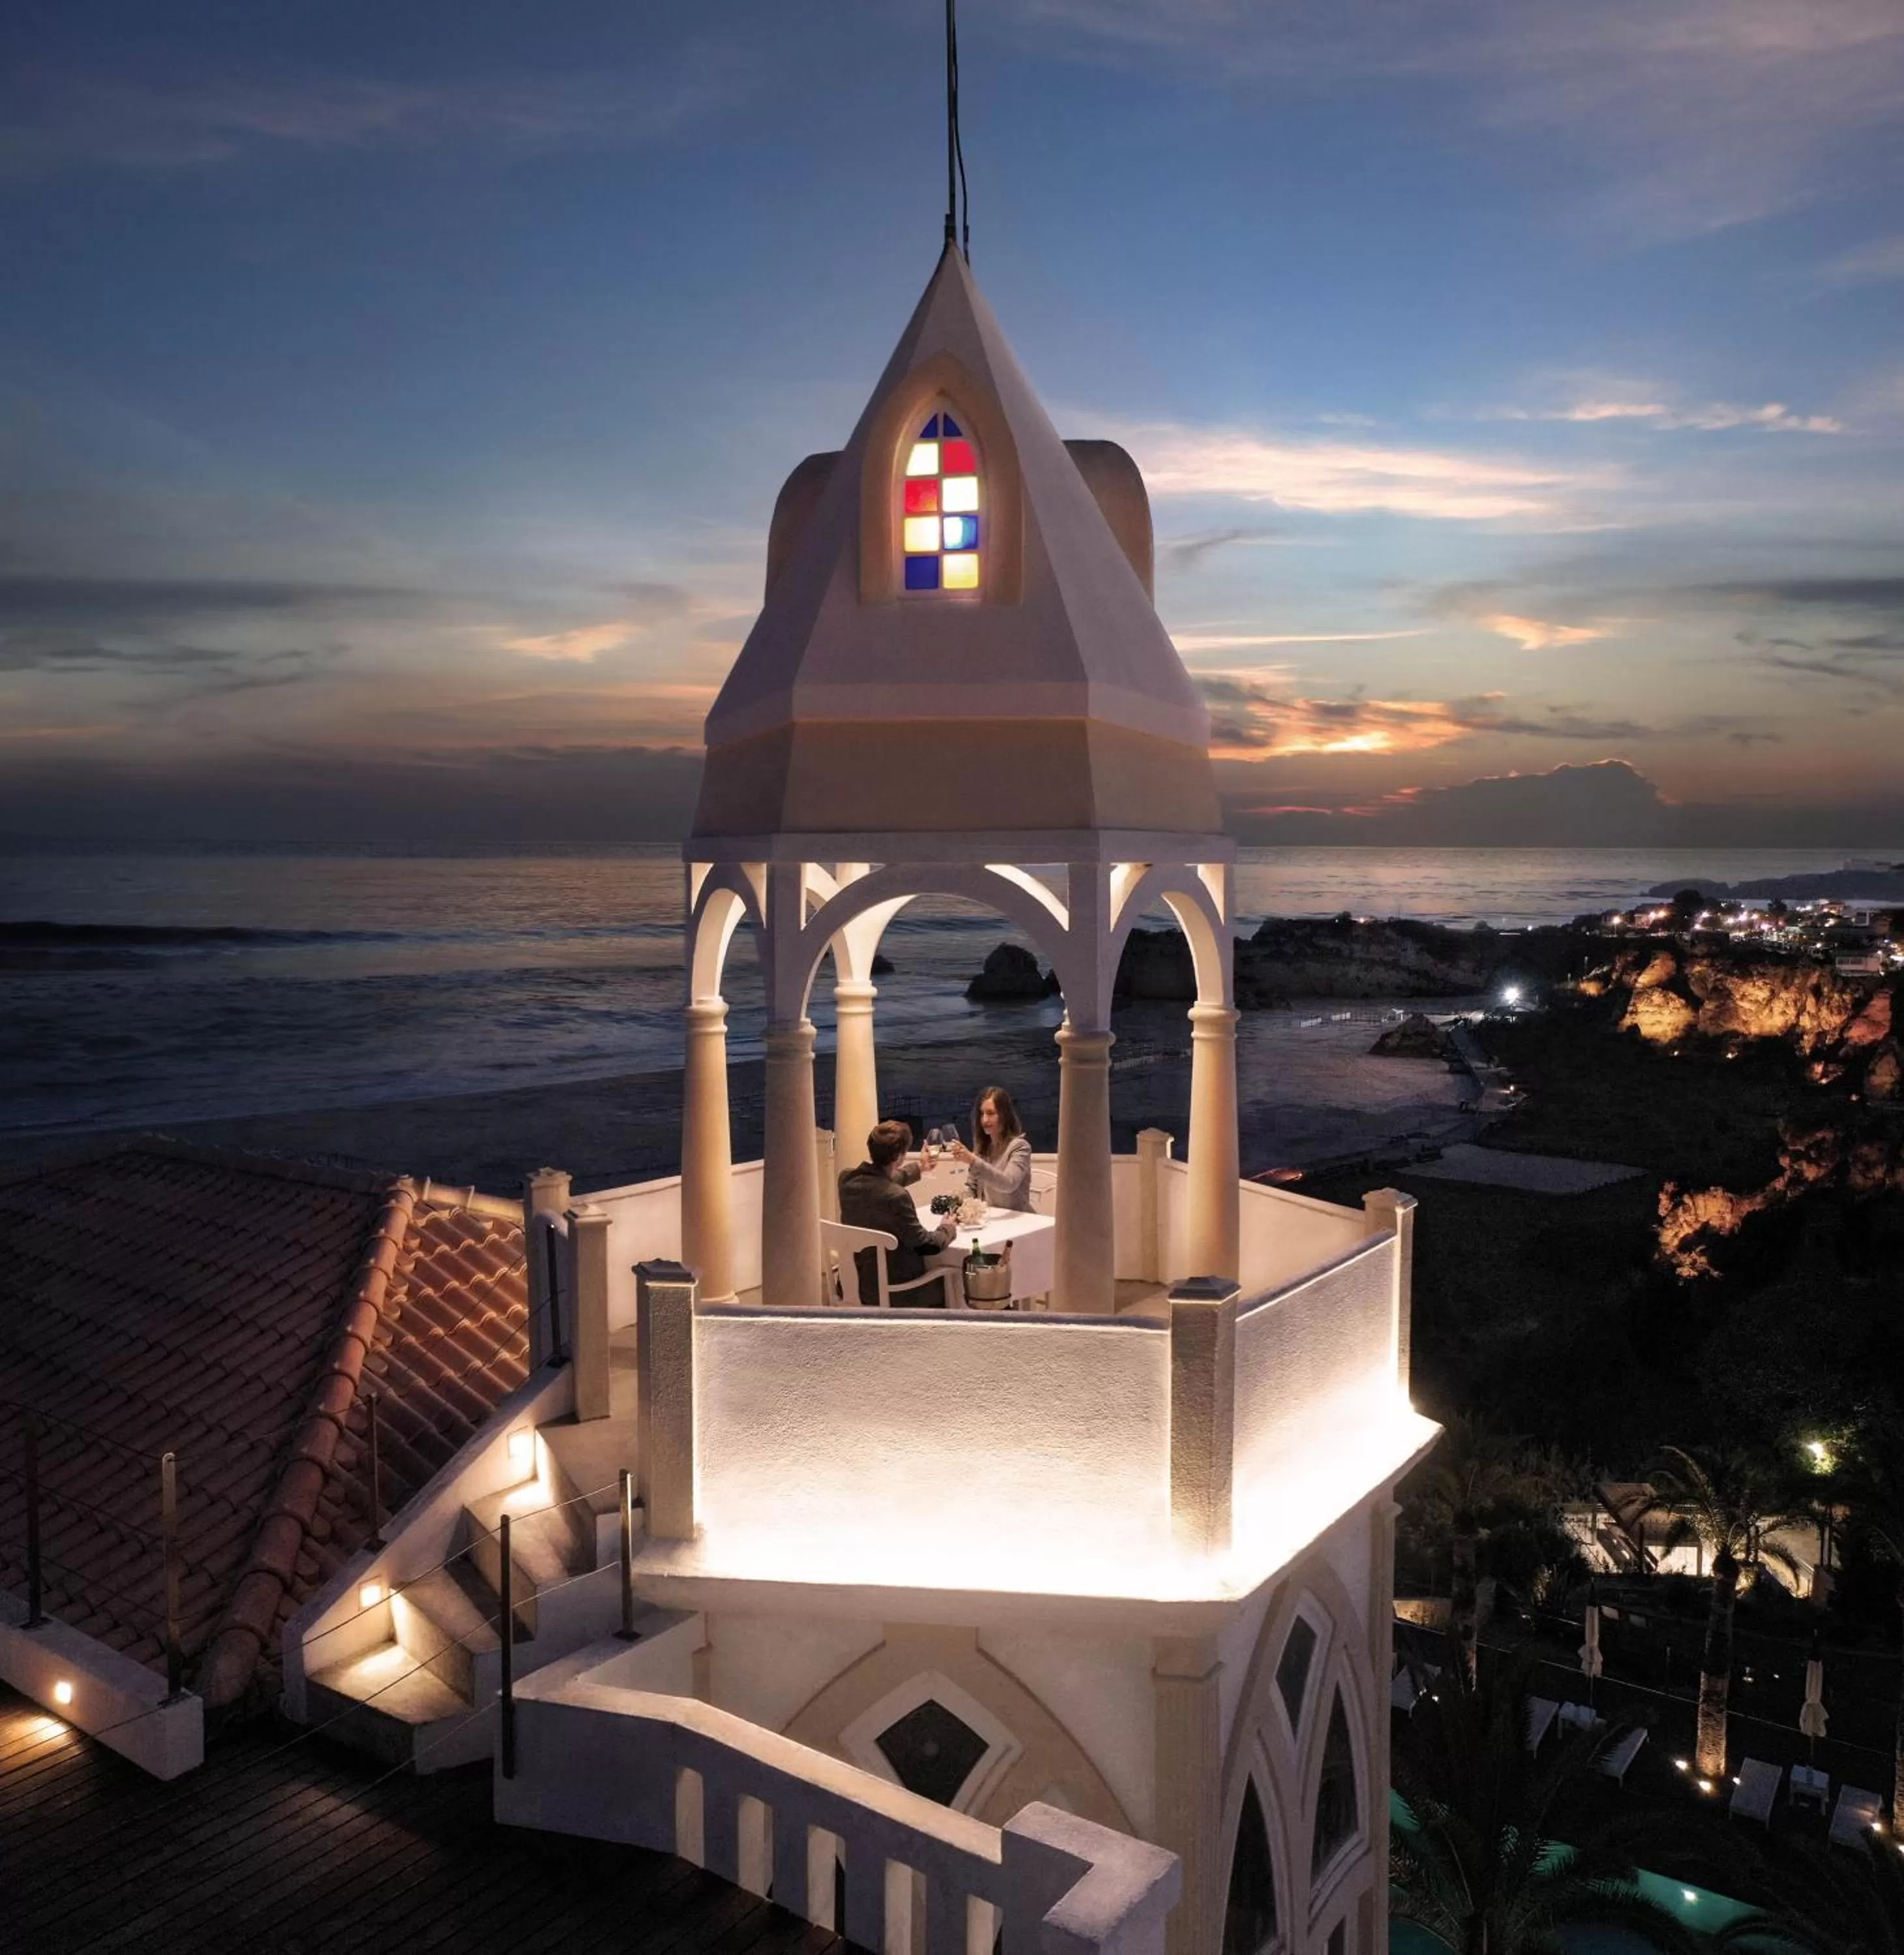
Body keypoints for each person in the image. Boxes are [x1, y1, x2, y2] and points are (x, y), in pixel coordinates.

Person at [837, 1120, 956, 1307]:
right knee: (953, 1281)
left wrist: (920, 1168)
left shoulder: (847, 1180)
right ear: (900, 1156)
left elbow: (881, 1182)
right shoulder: (897, 1197)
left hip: (851, 1284)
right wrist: (947, 1228)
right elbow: (926, 1246)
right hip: (894, 1292)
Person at [949, 1085, 1033, 1212]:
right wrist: (956, 1203)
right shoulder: (983, 1148)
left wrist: (973, 1161)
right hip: (990, 1220)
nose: (985, 1120)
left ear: (1005, 1115)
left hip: (1017, 1221)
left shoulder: (1020, 1147)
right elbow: (972, 1187)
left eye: (991, 1113)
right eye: (982, 1114)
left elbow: (1008, 1184)